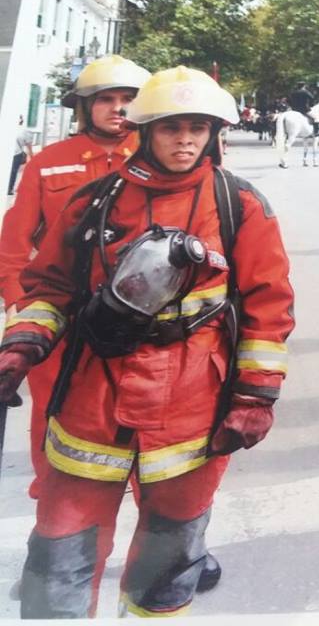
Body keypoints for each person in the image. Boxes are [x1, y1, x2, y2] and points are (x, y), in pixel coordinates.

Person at [0, 65, 295, 618]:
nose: (185, 140)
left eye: (198, 128)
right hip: (94, 391)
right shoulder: (94, 200)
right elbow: (51, 286)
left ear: (213, 133)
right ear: (145, 130)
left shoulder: (240, 204)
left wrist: (255, 396)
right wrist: (22, 344)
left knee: (172, 551)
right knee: (61, 542)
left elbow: (268, 304)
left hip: (192, 400)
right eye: (171, 127)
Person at [0, 55, 148, 502]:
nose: (117, 108)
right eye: (106, 99)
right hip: (60, 310)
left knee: (140, 409)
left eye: (128, 100)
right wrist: (18, 309)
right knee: (53, 406)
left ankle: (152, 508)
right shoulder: (49, 161)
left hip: (134, 313)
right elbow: (13, 245)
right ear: (85, 106)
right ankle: (53, 496)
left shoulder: (156, 159)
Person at [7, 116, 34, 195]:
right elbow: (28, 144)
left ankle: (9, 188)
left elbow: (28, 144)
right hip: (15, 153)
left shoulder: (23, 130)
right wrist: (31, 156)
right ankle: (9, 188)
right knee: (12, 172)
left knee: (11, 171)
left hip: (15, 153)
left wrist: (31, 156)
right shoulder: (24, 131)